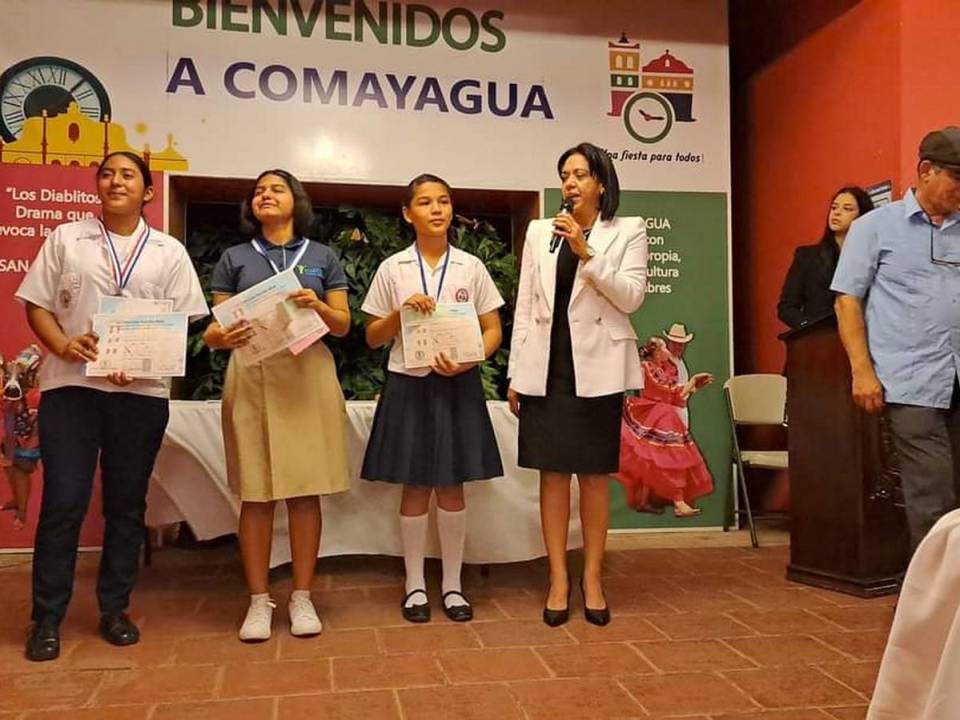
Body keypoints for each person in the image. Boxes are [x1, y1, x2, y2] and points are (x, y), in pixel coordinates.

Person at [16, 151, 209, 661]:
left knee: (126, 506)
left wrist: (142, 359)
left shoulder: (167, 251)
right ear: (97, 186)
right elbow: (36, 304)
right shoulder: (66, 238)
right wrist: (62, 346)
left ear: (148, 192)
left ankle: (114, 609)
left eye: (127, 175)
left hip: (139, 395)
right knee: (64, 502)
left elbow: (184, 320)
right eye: (106, 174)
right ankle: (47, 618)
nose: (114, 181)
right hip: (70, 389)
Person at [204, 169, 351, 642]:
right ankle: (257, 601)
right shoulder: (235, 257)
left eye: (277, 189)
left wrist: (320, 307)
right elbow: (213, 329)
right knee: (257, 492)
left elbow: (344, 325)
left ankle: (302, 597)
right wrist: (222, 335)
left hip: (308, 375)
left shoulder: (322, 256)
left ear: (297, 201)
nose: (266, 195)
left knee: (305, 490)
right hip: (253, 375)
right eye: (259, 191)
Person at [508, 142, 647, 627]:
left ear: (601, 183)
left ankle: (591, 578)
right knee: (551, 476)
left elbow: (631, 298)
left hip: (599, 369)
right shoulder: (538, 232)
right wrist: (515, 373)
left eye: (580, 174)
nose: (570, 182)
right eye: (565, 174)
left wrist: (587, 252)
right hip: (546, 368)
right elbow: (526, 305)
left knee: (591, 476)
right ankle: (558, 579)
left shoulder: (627, 230)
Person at [361, 173, 504, 624]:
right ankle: (415, 584)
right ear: (408, 213)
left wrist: (471, 359)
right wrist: (400, 313)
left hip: (458, 382)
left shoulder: (471, 267)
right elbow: (370, 337)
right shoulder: (393, 268)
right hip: (408, 380)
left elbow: (493, 329)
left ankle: (454, 585)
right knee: (415, 483)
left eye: (443, 201)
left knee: (452, 483)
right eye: (425, 202)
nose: (436, 209)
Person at [833, 127, 960, 551]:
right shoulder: (875, 227)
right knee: (933, 496)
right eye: (957, 180)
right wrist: (861, 371)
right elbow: (847, 301)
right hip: (910, 382)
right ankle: (933, 607)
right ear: (926, 170)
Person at [615, 337, 714, 517]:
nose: (669, 350)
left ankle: (650, 500)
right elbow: (663, 389)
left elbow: (676, 395)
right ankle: (678, 502)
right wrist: (690, 383)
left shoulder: (667, 368)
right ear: (658, 352)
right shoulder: (647, 368)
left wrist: (693, 386)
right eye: (664, 347)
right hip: (655, 414)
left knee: (656, 457)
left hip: (665, 413)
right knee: (668, 456)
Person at [778, 186, 874, 329]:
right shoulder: (807, 256)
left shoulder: (872, 258)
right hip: (819, 340)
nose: (837, 213)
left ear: (862, 216)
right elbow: (787, 308)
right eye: (834, 207)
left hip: (862, 336)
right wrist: (809, 327)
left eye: (847, 209)